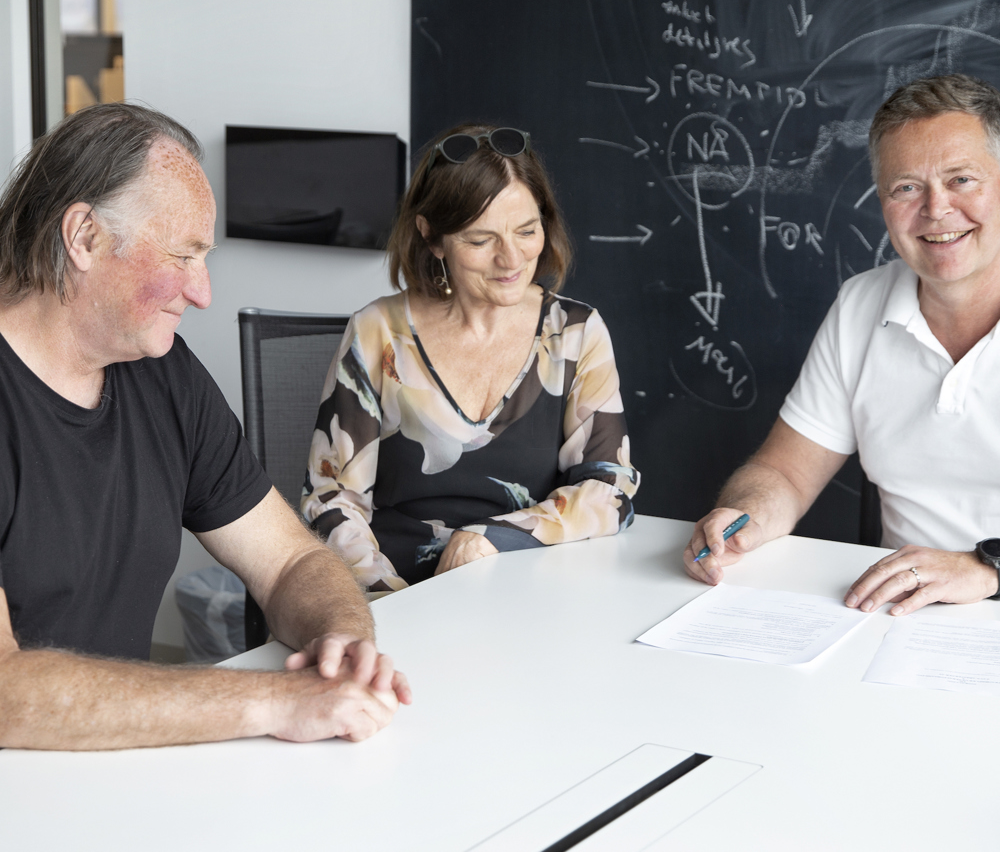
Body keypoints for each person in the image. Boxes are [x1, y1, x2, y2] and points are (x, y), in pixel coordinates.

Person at [0, 103, 410, 751]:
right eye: (183, 255)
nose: (203, 292)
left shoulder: (163, 373)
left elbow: (290, 560)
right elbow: (5, 695)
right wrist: (275, 701)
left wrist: (343, 639)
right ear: (84, 237)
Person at [684, 73, 1000, 617]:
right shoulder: (861, 304)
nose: (936, 208)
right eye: (906, 187)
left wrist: (986, 568)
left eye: (962, 179)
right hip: (897, 616)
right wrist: (742, 519)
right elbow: (785, 472)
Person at [301, 124, 639, 589]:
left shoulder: (576, 333)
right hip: (395, 589)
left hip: (528, 590)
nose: (511, 259)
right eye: (481, 240)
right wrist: (386, 602)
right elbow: (332, 499)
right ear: (432, 237)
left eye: (527, 230)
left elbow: (609, 489)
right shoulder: (377, 330)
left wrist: (490, 537)